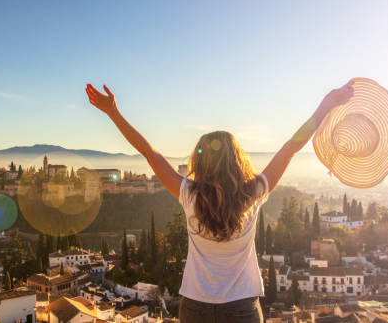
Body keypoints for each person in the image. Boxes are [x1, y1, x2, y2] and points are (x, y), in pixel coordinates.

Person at [85, 80, 354, 322]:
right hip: (241, 308)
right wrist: (326, 106)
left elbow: (147, 151)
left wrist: (114, 114)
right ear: (237, 160)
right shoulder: (254, 192)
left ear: (200, 161)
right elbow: (290, 147)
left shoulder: (188, 194)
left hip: (195, 307)